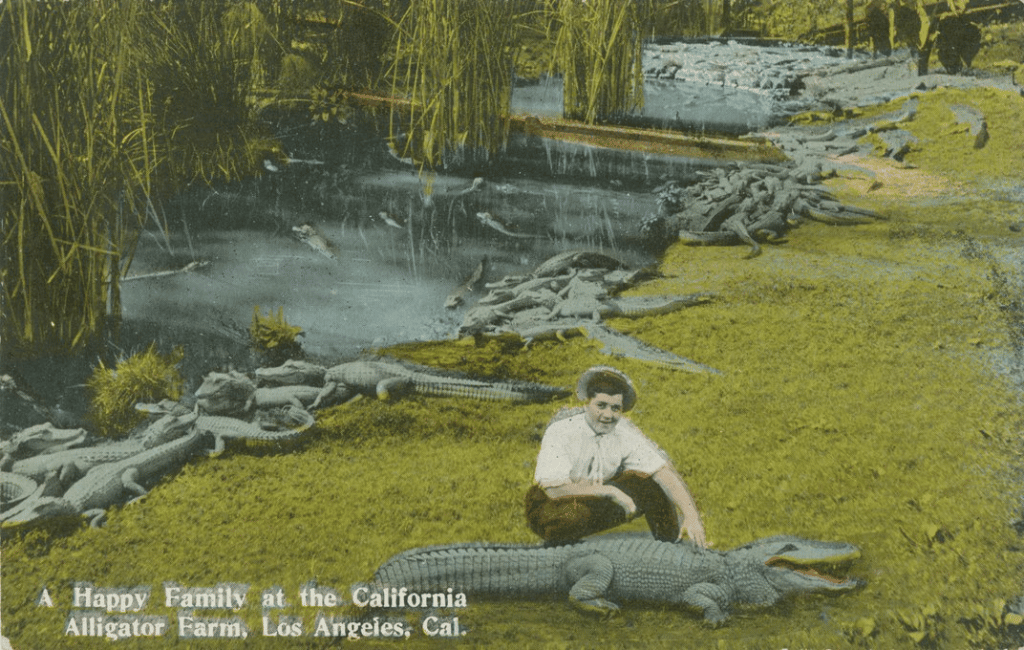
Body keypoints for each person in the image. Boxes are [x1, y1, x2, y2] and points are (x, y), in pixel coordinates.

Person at [525, 366, 708, 547]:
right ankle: (560, 554)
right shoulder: (561, 431)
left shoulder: (623, 431)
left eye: (615, 408)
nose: (608, 415)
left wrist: (691, 516)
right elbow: (554, 490)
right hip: (553, 504)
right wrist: (611, 492)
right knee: (573, 516)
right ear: (587, 403)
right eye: (601, 406)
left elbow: (661, 472)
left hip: (597, 498)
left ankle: (671, 544)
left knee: (651, 483)